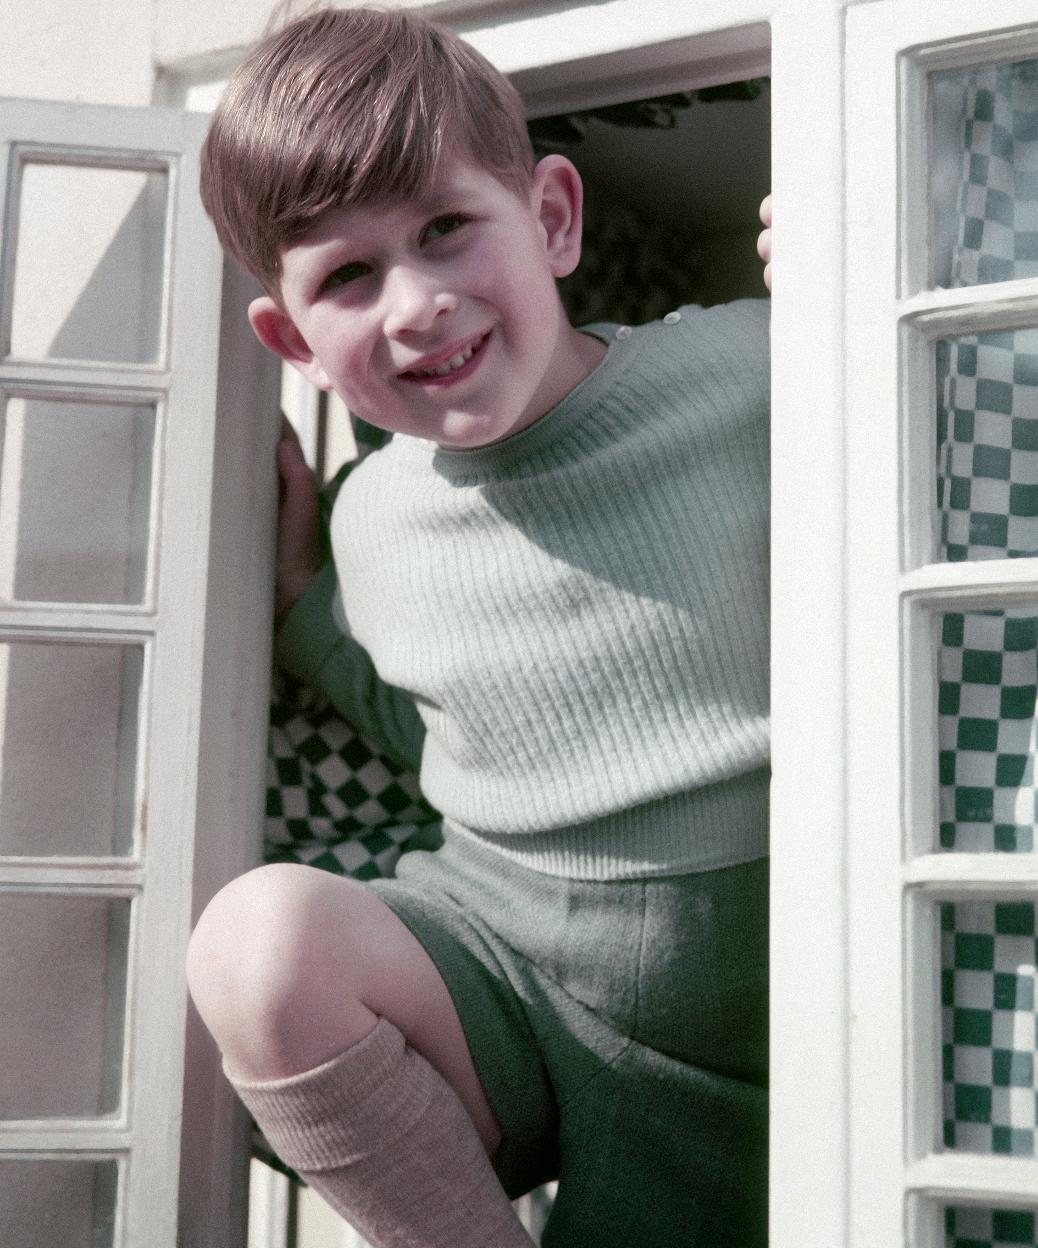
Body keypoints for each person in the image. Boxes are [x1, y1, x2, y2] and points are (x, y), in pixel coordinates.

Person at [186, 8, 774, 1246]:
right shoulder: (373, 517)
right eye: (349, 275)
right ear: (295, 340)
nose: (415, 305)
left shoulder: (758, 369)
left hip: (788, 949)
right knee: (254, 946)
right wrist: (299, 604)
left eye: (446, 228)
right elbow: (440, 724)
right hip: (526, 974)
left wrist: (871, 268)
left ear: (553, 220)